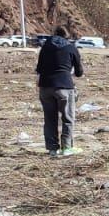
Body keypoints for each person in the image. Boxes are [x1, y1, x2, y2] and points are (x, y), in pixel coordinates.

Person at [35, 26, 84, 157]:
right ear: (67, 36)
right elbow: (79, 72)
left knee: (50, 119)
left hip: (45, 86)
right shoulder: (71, 48)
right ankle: (67, 148)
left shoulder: (45, 47)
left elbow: (39, 68)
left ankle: (52, 149)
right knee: (67, 118)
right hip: (64, 86)